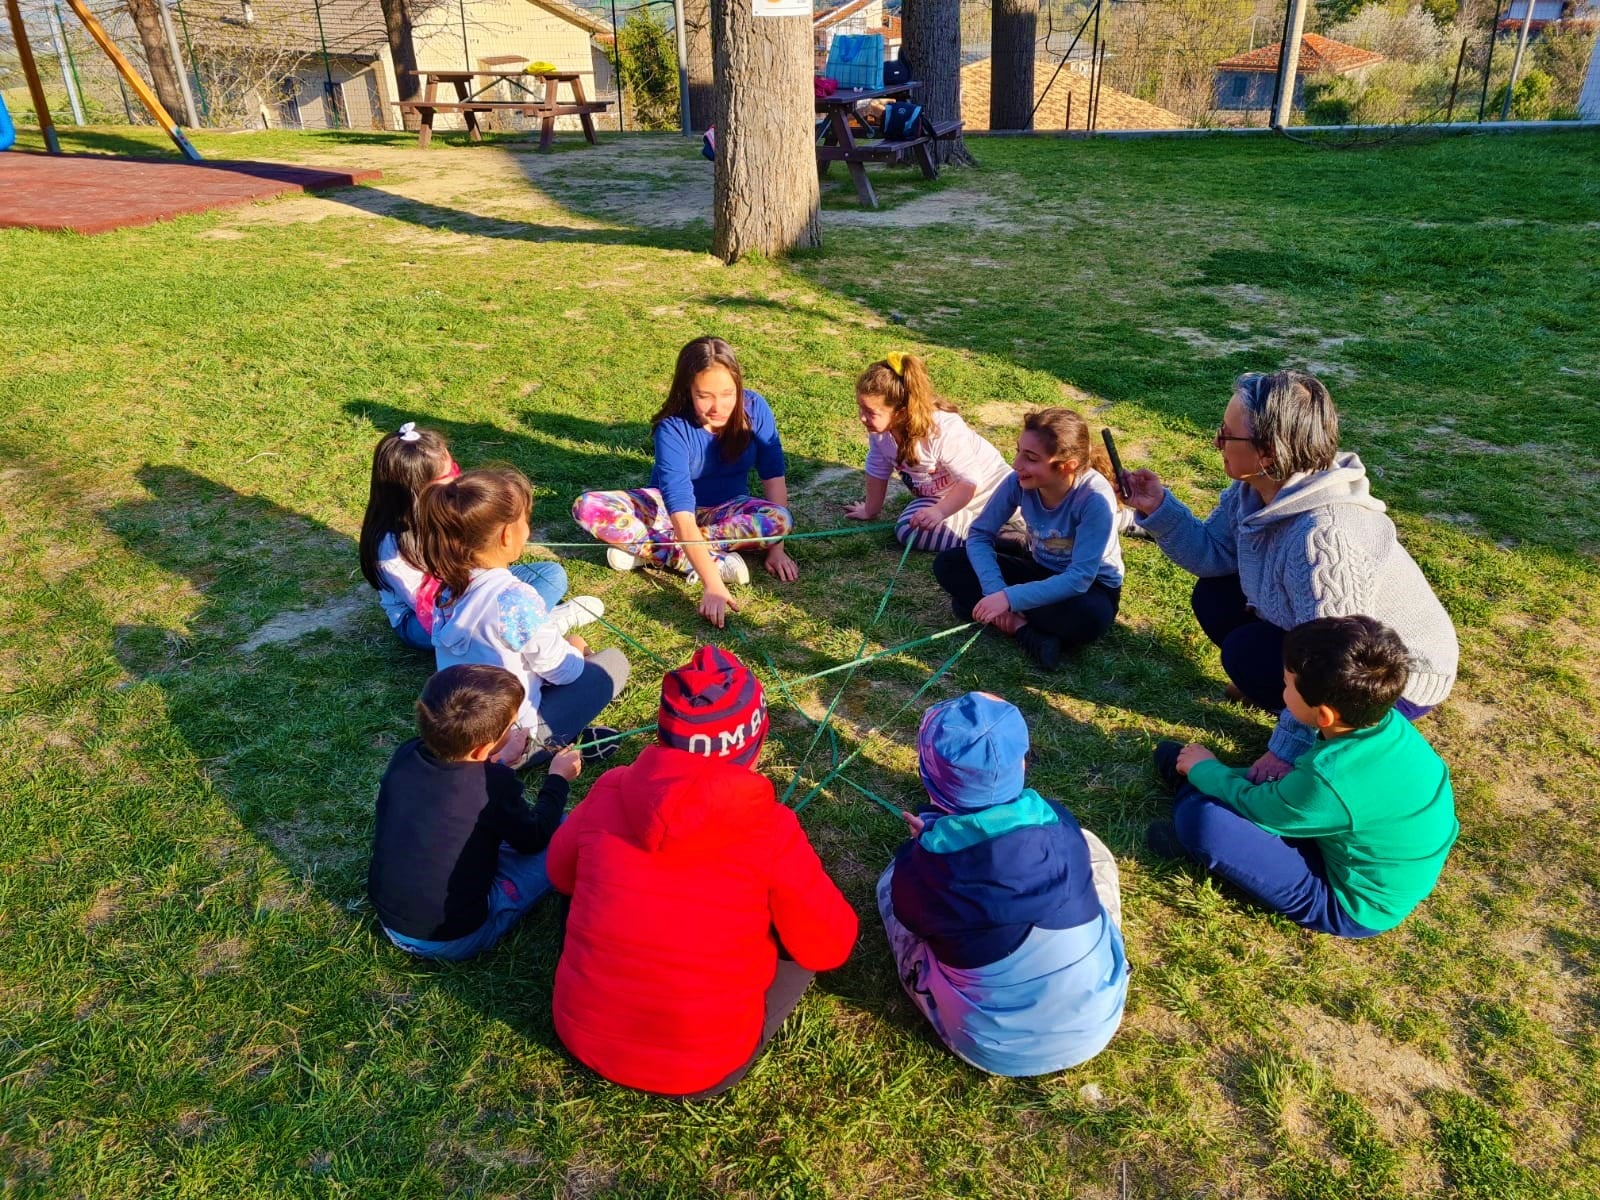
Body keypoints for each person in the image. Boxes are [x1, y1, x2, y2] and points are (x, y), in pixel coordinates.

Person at [545, 647, 858, 1098]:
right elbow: (831, 946)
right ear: (755, 743)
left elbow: (561, 875)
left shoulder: (610, 789)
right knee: (801, 947)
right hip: (703, 1072)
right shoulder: (772, 830)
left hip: (580, 1034)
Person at [1124, 370, 1458, 783]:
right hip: (1325, 640)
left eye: (1226, 435)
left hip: (1390, 680)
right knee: (1215, 596)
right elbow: (1215, 554)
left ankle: (1305, 720)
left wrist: (1284, 753)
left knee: (1247, 650)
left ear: (1268, 452)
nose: (1216, 443)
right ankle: (1280, 697)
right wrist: (1159, 508)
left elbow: (1336, 663)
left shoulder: (1325, 537)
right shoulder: (1255, 489)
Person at [1146, 616, 1458, 938]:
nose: (1282, 693)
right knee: (1195, 772)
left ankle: (1197, 829)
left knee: (1202, 820)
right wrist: (1211, 771)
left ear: (1323, 714)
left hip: (1349, 904)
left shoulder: (1329, 778)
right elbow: (1297, 792)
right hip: (1353, 839)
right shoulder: (1385, 724)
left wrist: (1204, 771)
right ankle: (1193, 784)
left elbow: (1258, 805)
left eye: (1287, 685)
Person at [879, 692, 1128, 1076]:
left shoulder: (930, 869)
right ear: (1023, 762)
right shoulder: (1059, 822)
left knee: (888, 883)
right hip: (1098, 1021)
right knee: (1090, 845)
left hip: (991, 1046)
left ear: (926, 777)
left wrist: (924, 846)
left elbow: (910, 911)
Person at [571, 337, 797, 628]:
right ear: (687, 390)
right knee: (588, 507)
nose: (718, 406)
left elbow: (773, 476)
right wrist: (713, 583)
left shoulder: (756, 407)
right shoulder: (672, 428)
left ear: (739, 385)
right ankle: (707, 560)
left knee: (780, 519)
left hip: (726, 511)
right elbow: (680, 510)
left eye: (728, 393)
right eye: (705, 396)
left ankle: (658, 552)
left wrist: (776, 549)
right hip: (669, 512)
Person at [417, 466, 630, 767]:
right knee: (613, 663)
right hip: (516, 743)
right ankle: (558, 742)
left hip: (465, 735)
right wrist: (577, 654)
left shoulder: (446, 590)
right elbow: (563, 672)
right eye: (526, 522)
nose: (528, 531)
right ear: (506, 535)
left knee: (572, 645)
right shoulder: (514, 599)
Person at [368, 664, 583, 961]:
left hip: (389, 917)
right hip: (453, 937)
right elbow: (534, 838)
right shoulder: (492, 786)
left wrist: (500, 760)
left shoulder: (408, 753)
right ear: (483, 750)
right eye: (511, 726)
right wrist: (557, 779)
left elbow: (458, 791)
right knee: (566, 829)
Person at [358, 422, 593, 650]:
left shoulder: (450, 506)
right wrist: (483, 604)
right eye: (450, 474)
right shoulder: (390, 549)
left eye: (455, 468)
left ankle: (519, 626)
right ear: (420, 490)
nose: (457, 479)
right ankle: (538, 626)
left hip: (471, 585)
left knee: (552, 575)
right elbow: (431, 611)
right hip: (428, 617)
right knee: (457, 629)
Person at [933, 407, 1125, 670]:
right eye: (1018, 450)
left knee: (1091, 618)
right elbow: (979, 534)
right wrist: (995, 590)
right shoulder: (1018, 481)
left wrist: (1009, 600)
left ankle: (1012, 623)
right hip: (1039, 568)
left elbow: (1080, 577)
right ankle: (1020, 625)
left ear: (1066, 466)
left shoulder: (1094, 498)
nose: (1016, 464)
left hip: (1090, 587)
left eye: (1031, 458)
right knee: (948, 563)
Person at [842, 351, 1011, 552]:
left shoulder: (942, 428)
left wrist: (939, 512)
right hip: (949, 501)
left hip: (996, 492)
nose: (862, 417)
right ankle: (997, 537)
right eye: (860, 408)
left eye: (871, 412)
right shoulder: (880, 432)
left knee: (1035, 521)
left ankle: (1003, 536)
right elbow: (877, 468)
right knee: (909, 529)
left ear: (901, 412)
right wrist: (870, 510)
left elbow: (970, 481)